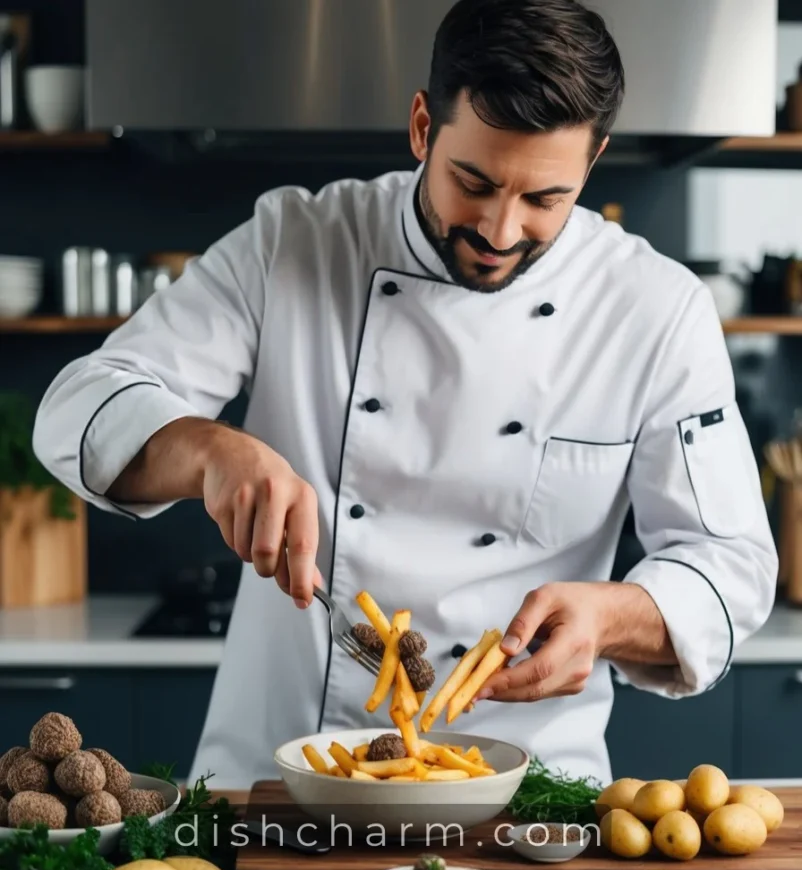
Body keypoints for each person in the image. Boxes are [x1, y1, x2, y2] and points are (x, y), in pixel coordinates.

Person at [33, 0, 777, 788]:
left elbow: (731, 566)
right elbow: (77, 406)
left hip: (526, 796)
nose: (498, 230)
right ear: (423, 127)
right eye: (474, 181)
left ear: (591, 163)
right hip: (281, 785)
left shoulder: (654, 308)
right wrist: (210, 451)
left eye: (543, 199)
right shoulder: (299, 242)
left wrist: (610, 618)